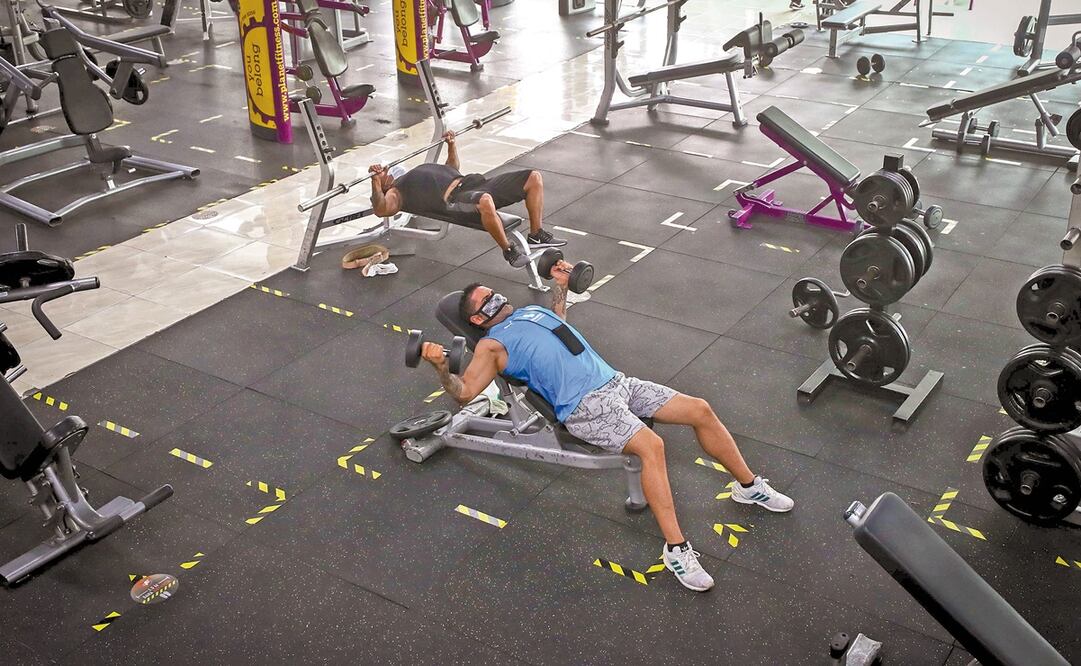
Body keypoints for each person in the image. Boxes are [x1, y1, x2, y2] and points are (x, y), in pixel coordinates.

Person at [418, 267, 794, 593]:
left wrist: (560, 285)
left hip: (617, 383)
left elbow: (559, 319)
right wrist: (440, 367)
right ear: (478, 320)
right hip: (585, 407)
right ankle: (676, 551)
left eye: (494, 294)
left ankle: (749, 487)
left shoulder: (530, 311)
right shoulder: (490, 346)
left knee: (700, 409)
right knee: (651, 446)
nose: (497, 300)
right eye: (487, 302)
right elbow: (465, 393)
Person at [368, 131, 565, 267]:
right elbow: (381, 209)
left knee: (533, 177)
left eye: (385, 169)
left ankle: (536, 234)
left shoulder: (416, 172)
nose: (386, 169)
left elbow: (452, 168)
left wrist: (451, 144)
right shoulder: (397, 190)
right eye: (383, 171)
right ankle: (509, 250)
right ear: (385, 183)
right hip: (456, 200)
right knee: (485, 200)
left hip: (473, 183)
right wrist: (375, 181)